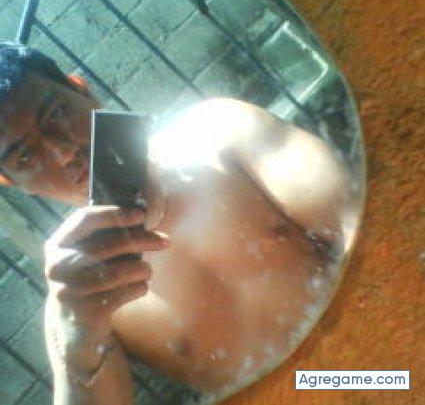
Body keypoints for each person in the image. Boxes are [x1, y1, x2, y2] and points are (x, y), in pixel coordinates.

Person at [0, 42, 351, 404]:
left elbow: (356, 220)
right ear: (11, 181)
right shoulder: (80, 298)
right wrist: (78, 343)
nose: (62, 153)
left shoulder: (219, 135)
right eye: (25, 156)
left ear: (82, 89)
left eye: (56, 115)